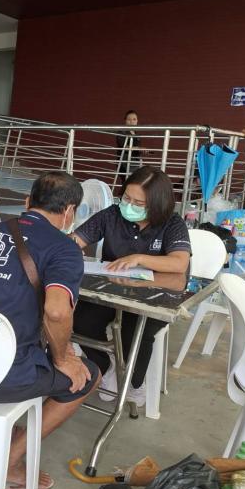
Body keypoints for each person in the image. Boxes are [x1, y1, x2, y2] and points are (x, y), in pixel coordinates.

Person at [0, 171, 100, 489]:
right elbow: (57, 311)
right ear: (70, 212)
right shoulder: (64, 249)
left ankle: (17, 430)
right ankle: (9, 463)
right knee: (88, 375)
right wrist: (63, 358)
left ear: (27, 201)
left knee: (46, 351)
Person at [72, 165, 191, 406]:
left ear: (157, 205)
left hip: (155, 296)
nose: (129, 205)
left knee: (135, 330)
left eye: (139, 203)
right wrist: (68, 247)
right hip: (111, 292)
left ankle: (133, 382)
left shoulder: (172, 224)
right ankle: (105, 367)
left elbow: (179, 263)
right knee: (80, 321)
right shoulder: (112, 215)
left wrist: (139, 259)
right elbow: (77, 239)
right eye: (127, 198)